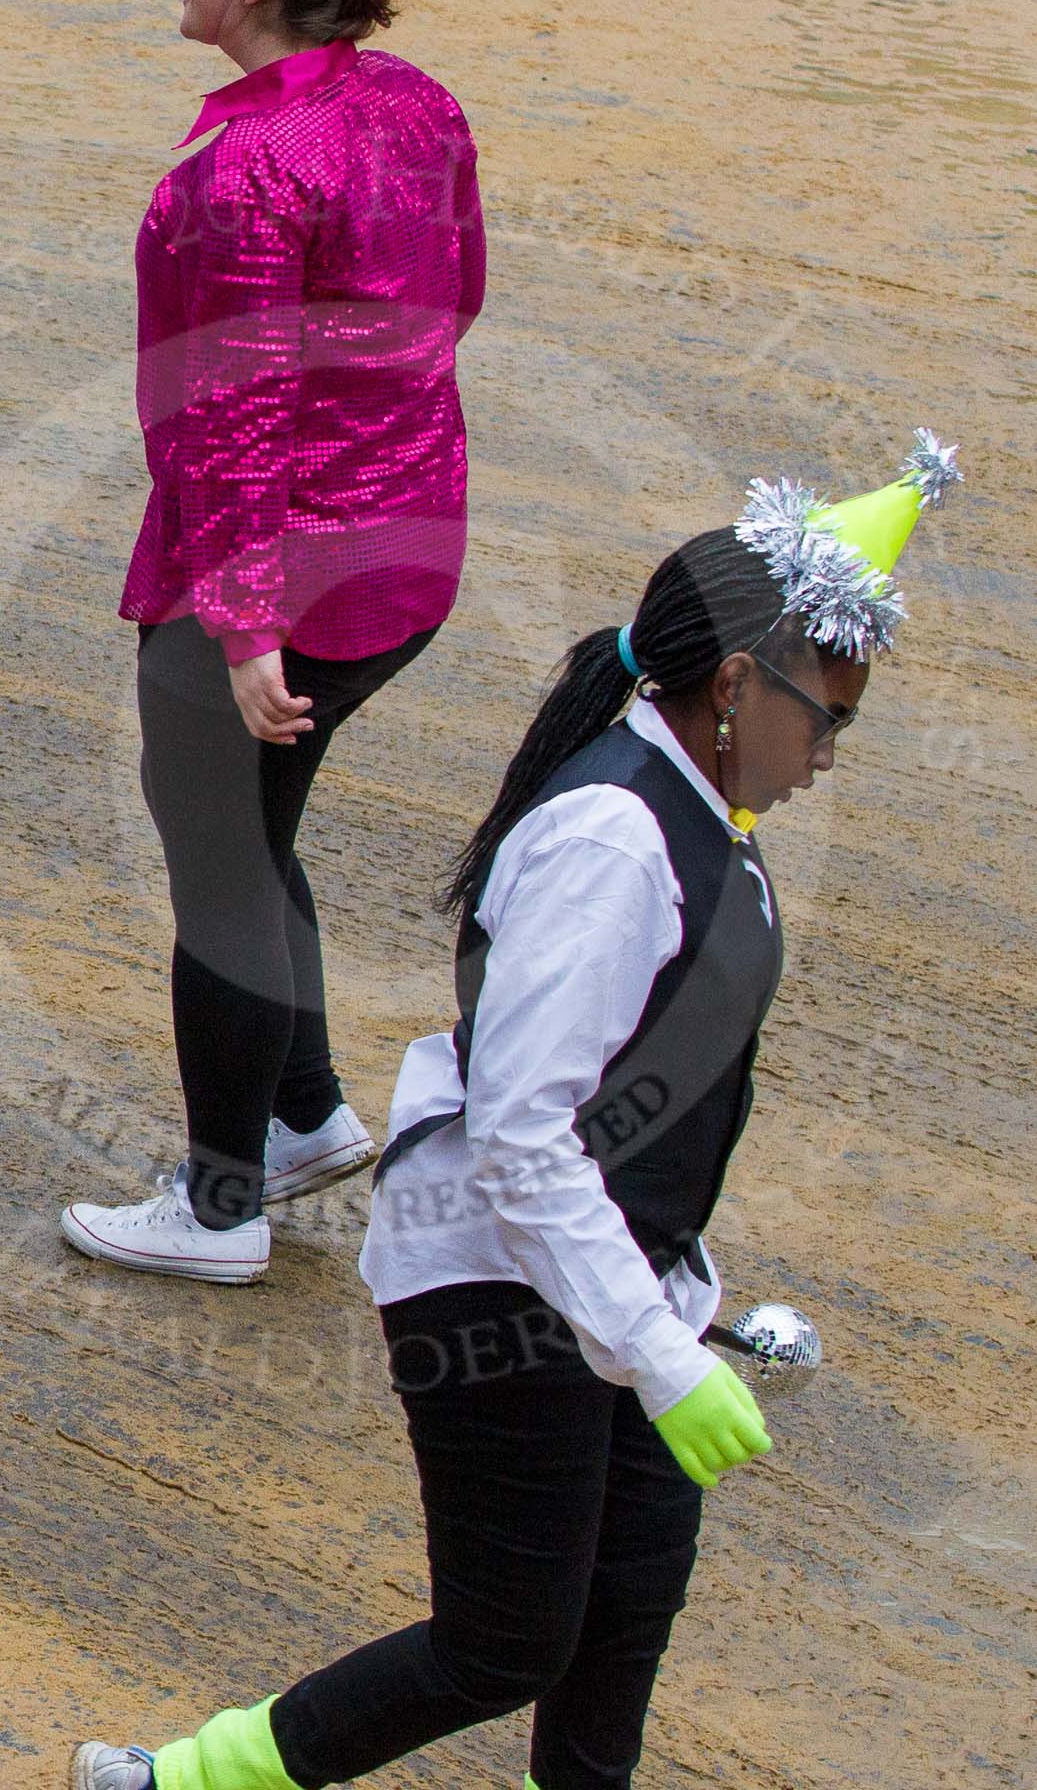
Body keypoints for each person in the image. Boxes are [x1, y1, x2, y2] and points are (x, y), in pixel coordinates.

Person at [68, 431, 961, 1790]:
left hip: (608, 1277)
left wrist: (662, 1308)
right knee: (504, 1643)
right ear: (733, 685)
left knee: (621, 1622)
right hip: (490, 1275)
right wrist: (657, 1358)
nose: (833, 750)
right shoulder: (610, 842)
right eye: (827, 714)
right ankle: (179, 1782)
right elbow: (522, 1138)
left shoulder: (706, 808)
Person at [60, 0, 485, 1284]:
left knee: (222, 878)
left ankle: (218, 1207)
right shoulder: (419, 105)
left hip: (280, 578)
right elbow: (460, 299)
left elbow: (233, 409)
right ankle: (301, 1114)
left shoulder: (249, 167)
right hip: (407, 554)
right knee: (261, 841)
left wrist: (240, 626)